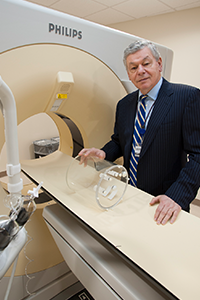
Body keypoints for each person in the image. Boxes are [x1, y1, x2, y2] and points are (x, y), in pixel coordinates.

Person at [79, 39, 200, 225]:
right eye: (133, 67)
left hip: (166, 199)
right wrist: (103, 152)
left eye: (146, 63)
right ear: (128, 73)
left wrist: (177, 196)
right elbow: (119, 141)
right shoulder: (124, 105)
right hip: (129, 194)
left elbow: (198, 155)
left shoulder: (186, 97)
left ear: (159, 64)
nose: (140, 71)